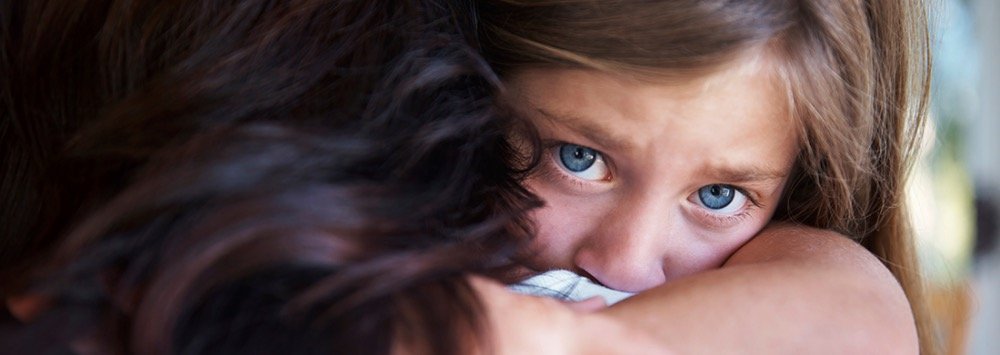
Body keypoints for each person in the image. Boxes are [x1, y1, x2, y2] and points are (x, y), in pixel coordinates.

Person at [475, 0, 939, 353]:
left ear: (795, 192)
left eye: (718, 195)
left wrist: (562, 340)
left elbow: (863, 321)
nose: (628, 267)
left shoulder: (766, 269)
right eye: (579, 158)